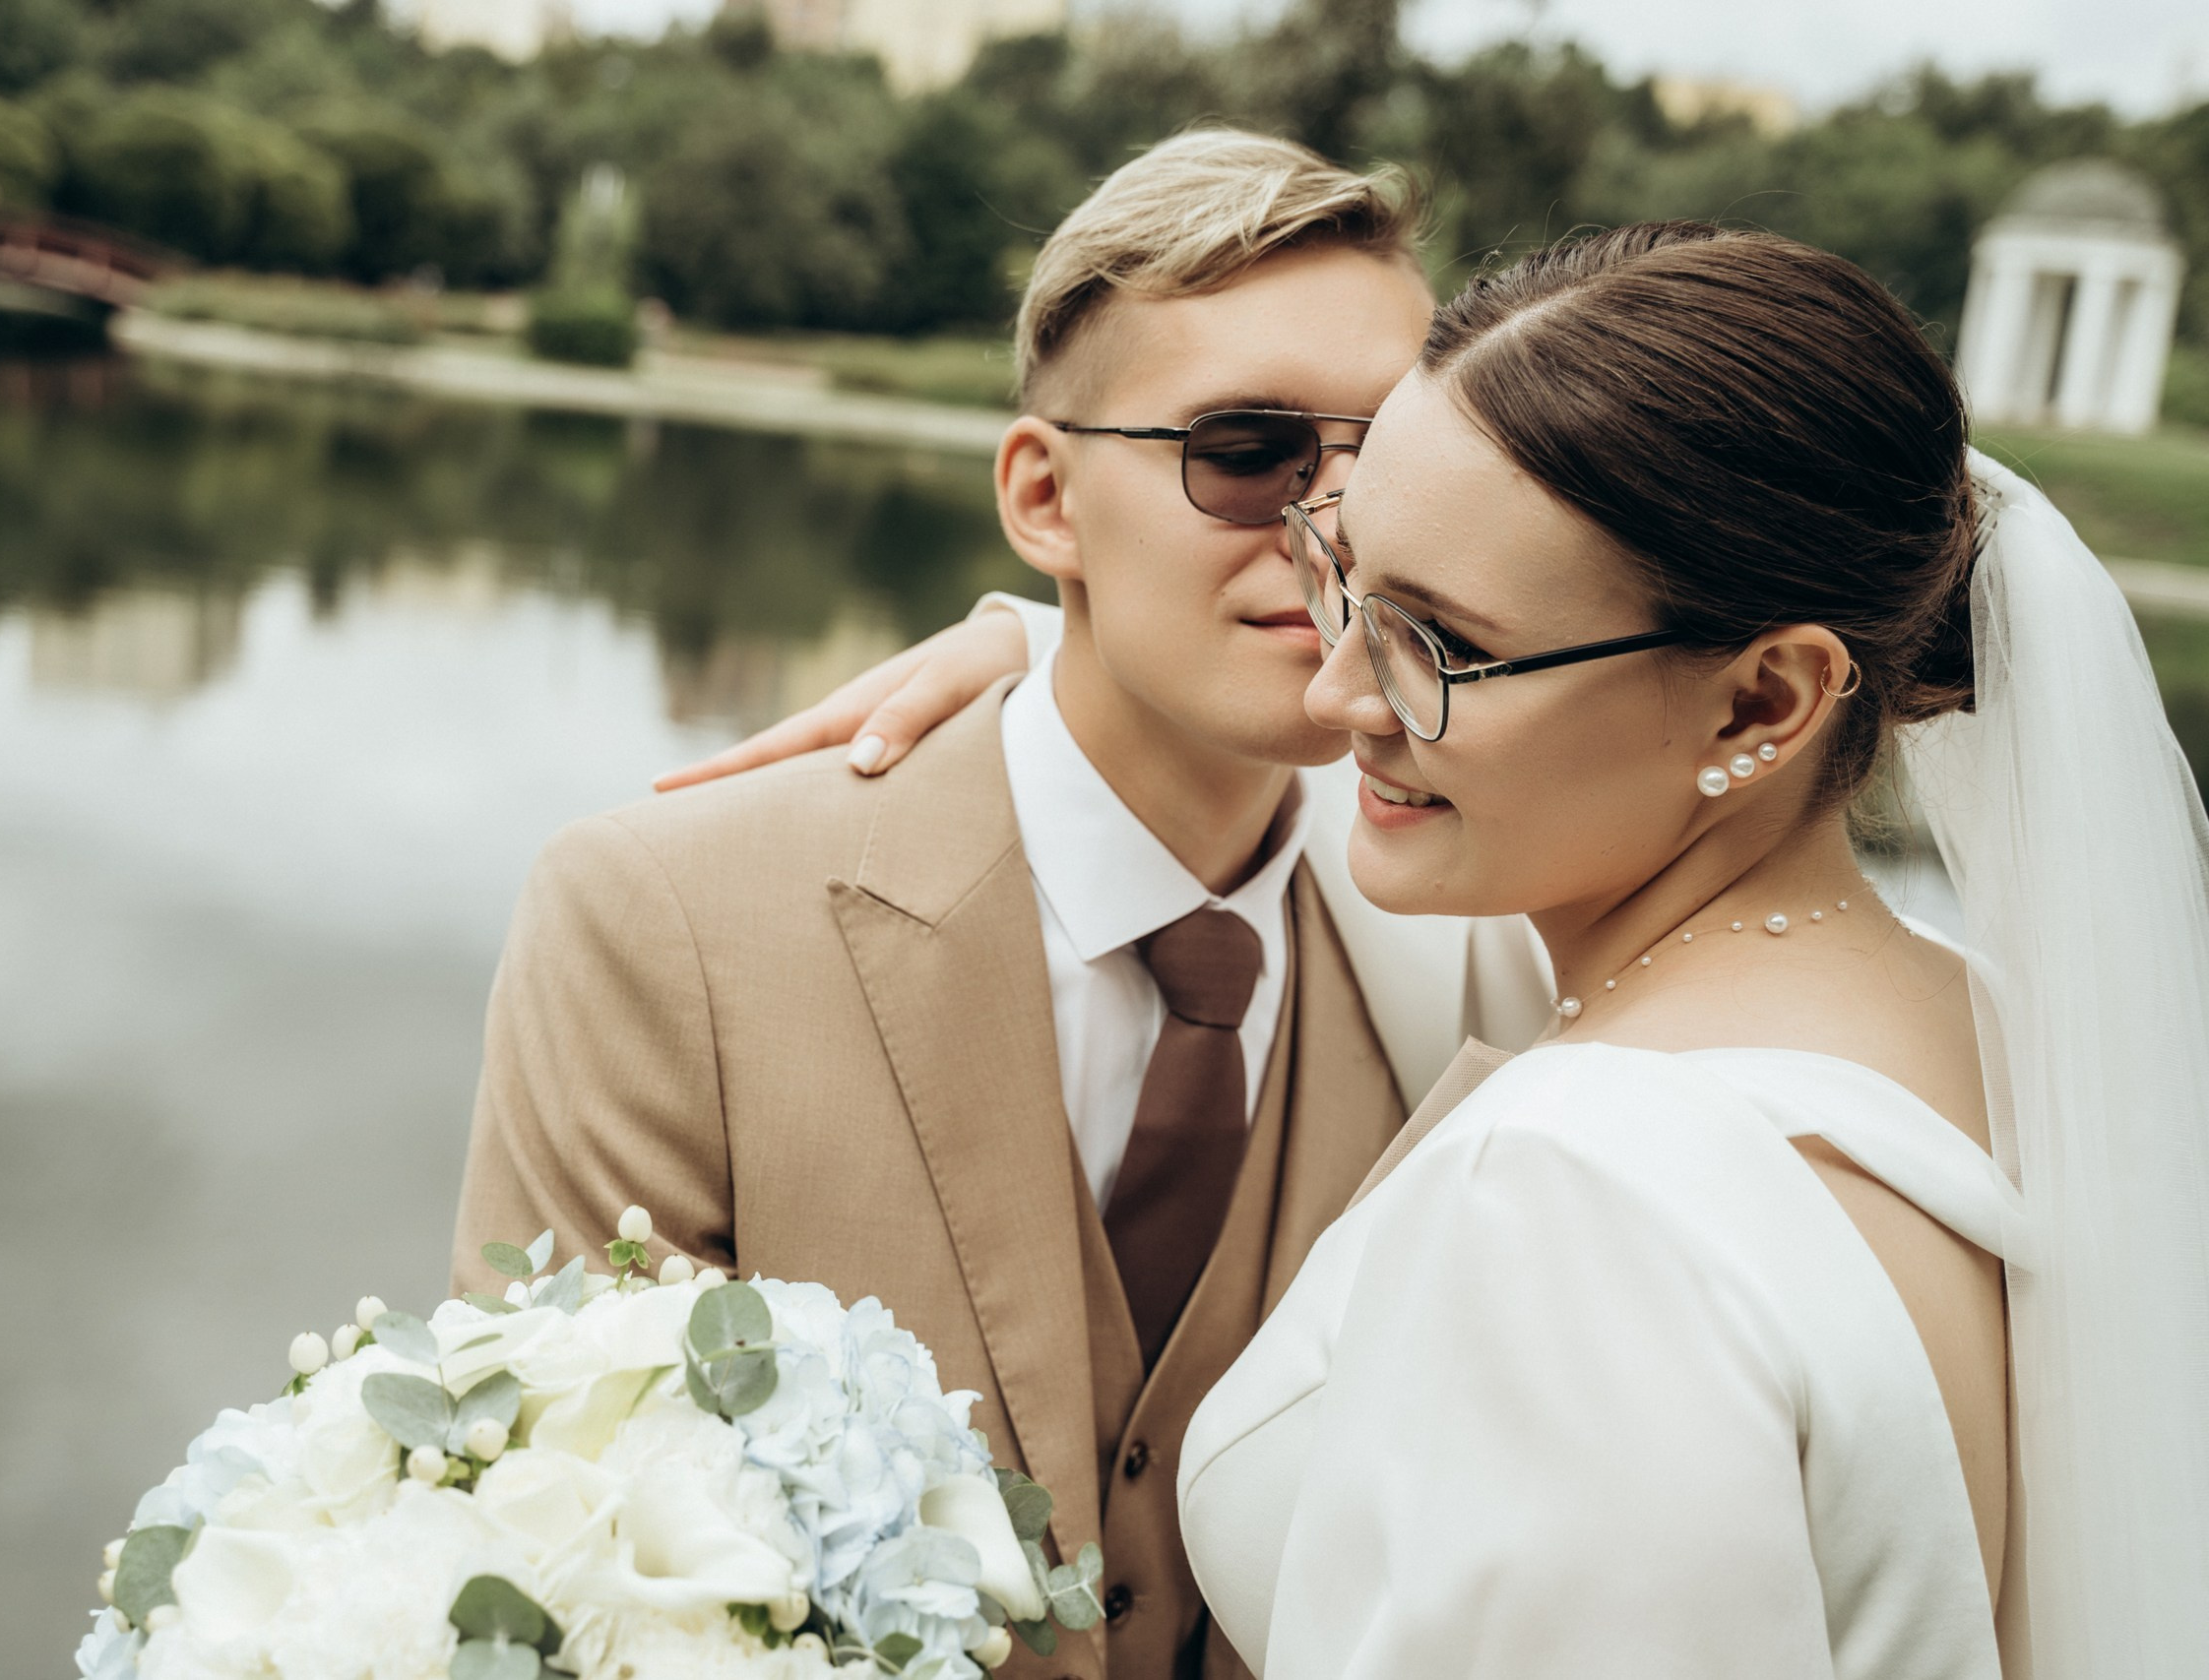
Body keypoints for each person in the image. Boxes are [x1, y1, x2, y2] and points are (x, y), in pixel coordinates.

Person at [688, 222, 2209, 1677]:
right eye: (1340, 571)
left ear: (1761, 704)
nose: (1337, 692)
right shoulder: (2010, 1042)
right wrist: (1045, 651)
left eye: (1435, 645)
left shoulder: (1577, 1202)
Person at [451, 131, 1550, 1680]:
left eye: (1394, 457)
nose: (1340, 531)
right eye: (1249, 452)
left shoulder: (1495, 951)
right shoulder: (662, 922)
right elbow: (558, 1539)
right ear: (1045, 499)